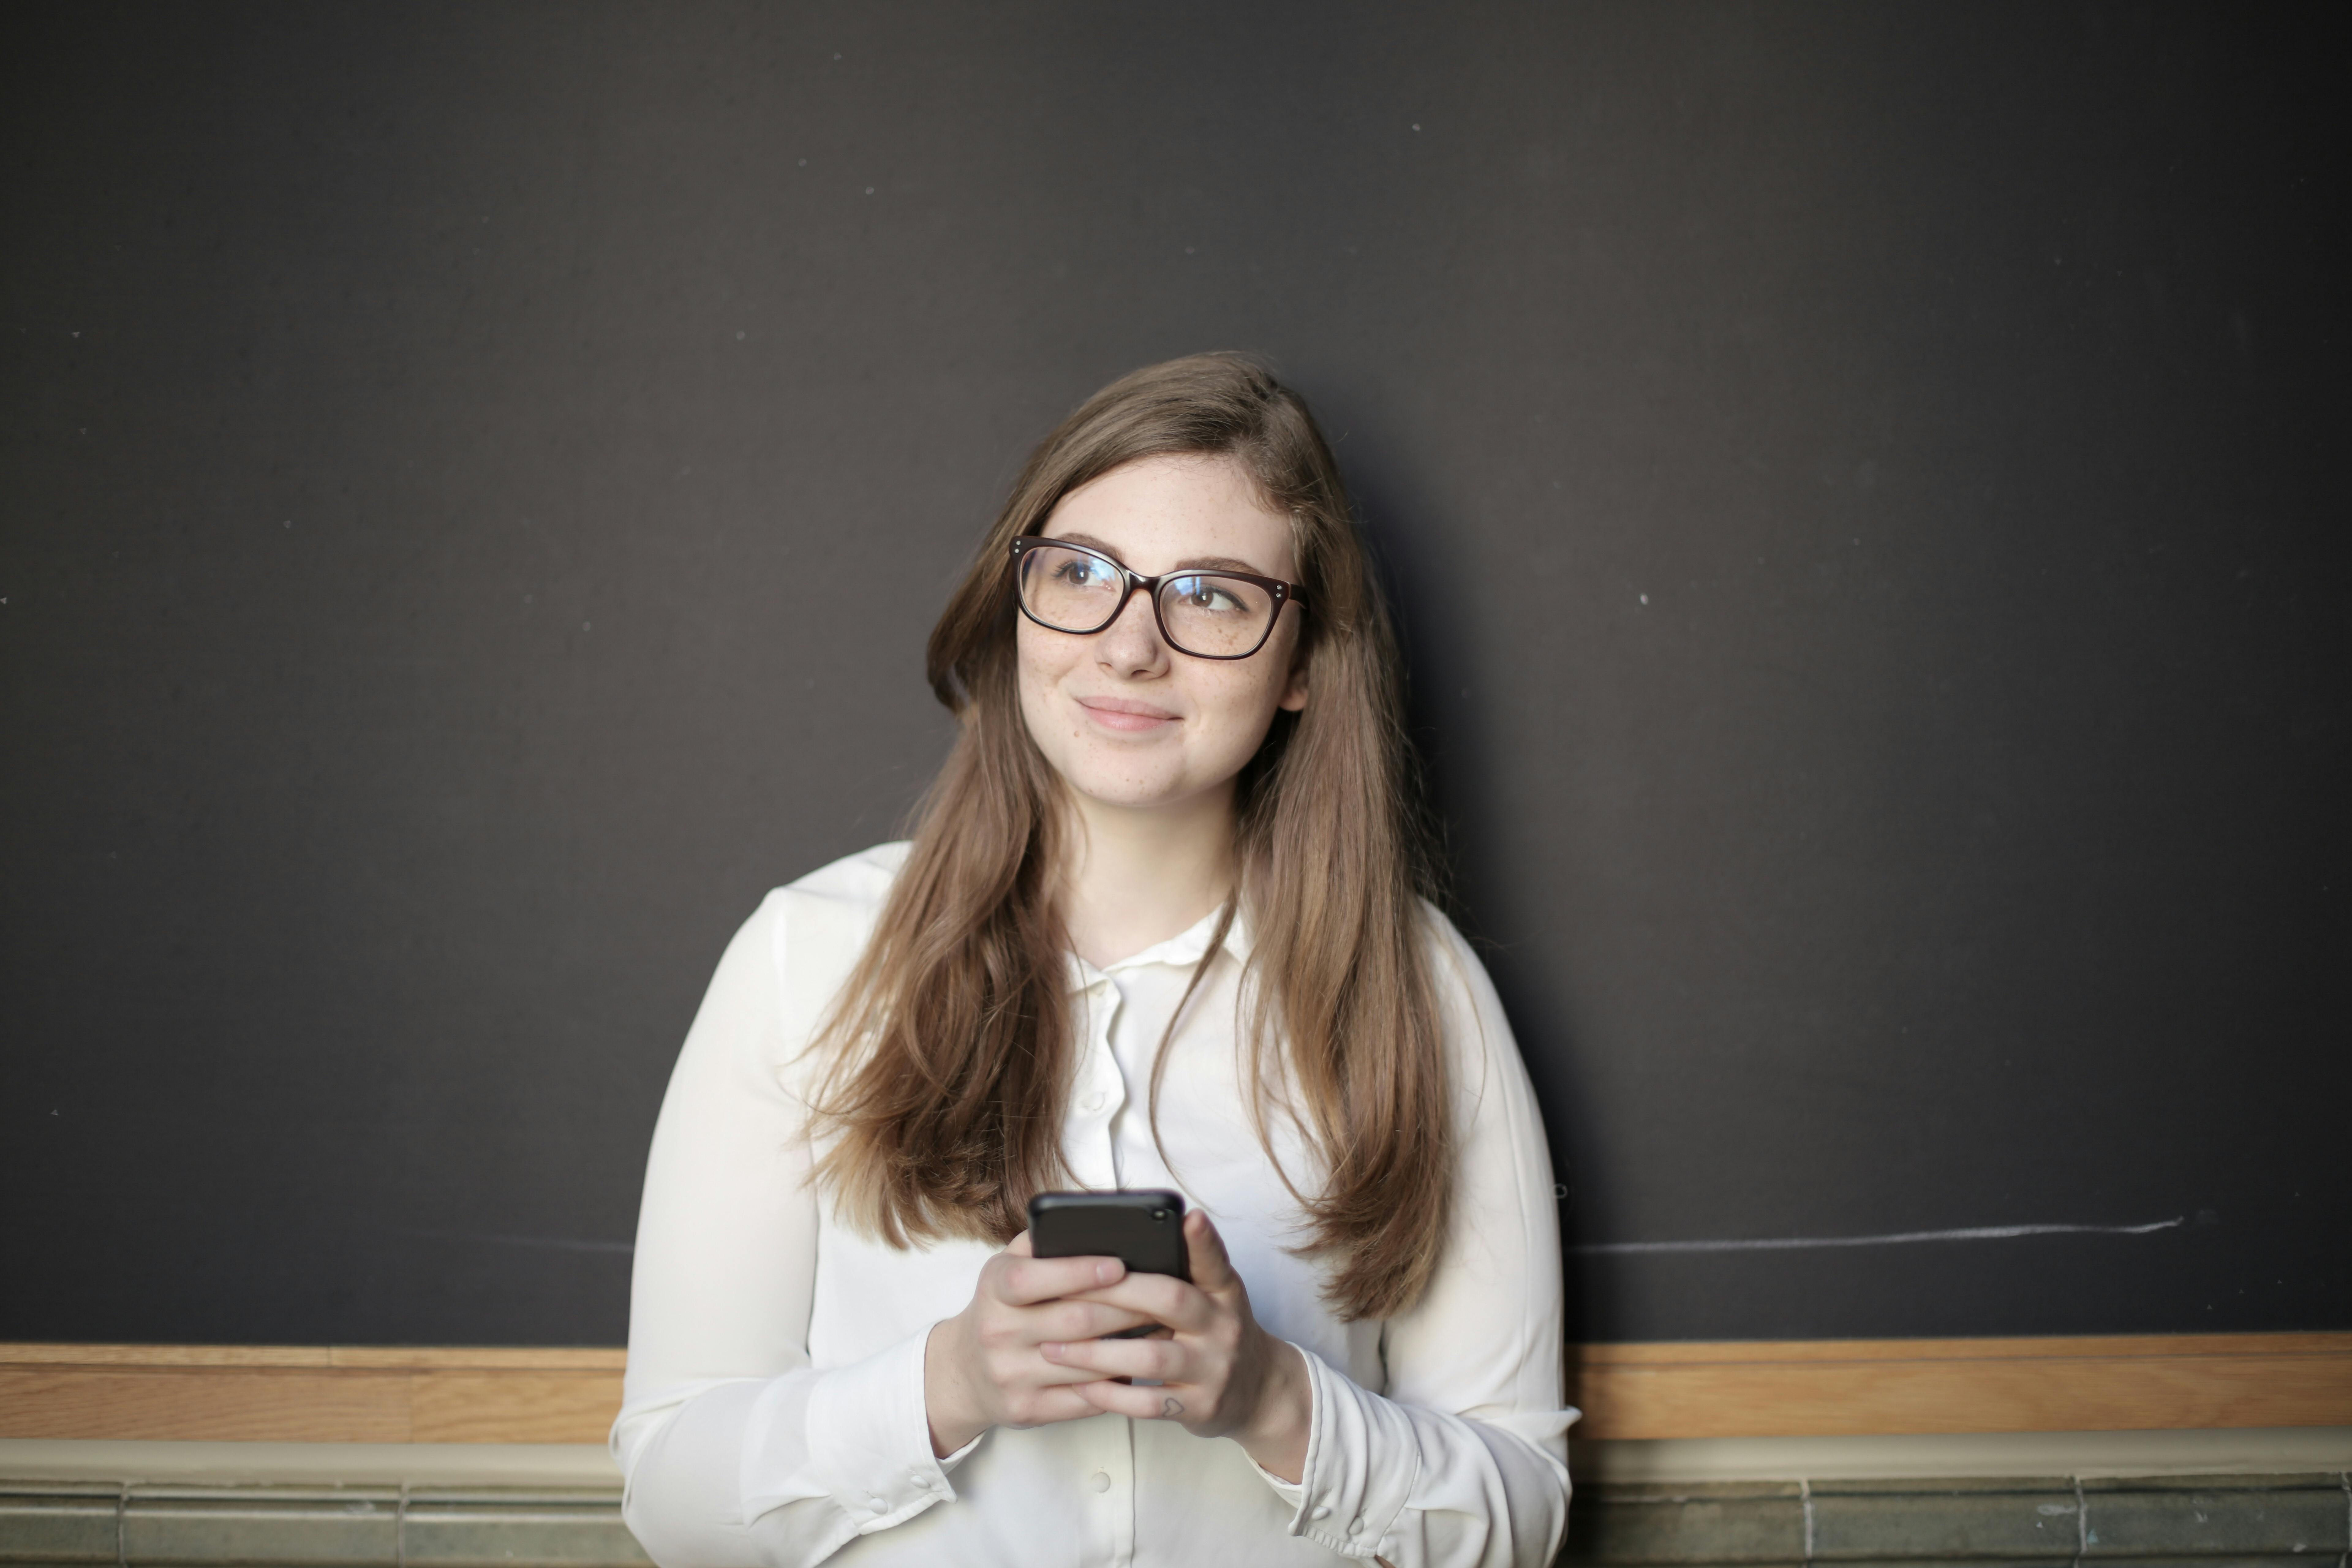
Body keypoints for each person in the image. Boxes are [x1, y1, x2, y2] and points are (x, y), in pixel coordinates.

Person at [612, 353, 1574, 1568]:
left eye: (1212, 596)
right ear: (1017, 599)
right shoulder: (805, 960)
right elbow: (672, 1490)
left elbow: (1522, 1513)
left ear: (1304, 667)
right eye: (1081, 573)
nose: (1128, 649)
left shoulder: (1421, 993)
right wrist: (947, 1382)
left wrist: (1275, 1402)